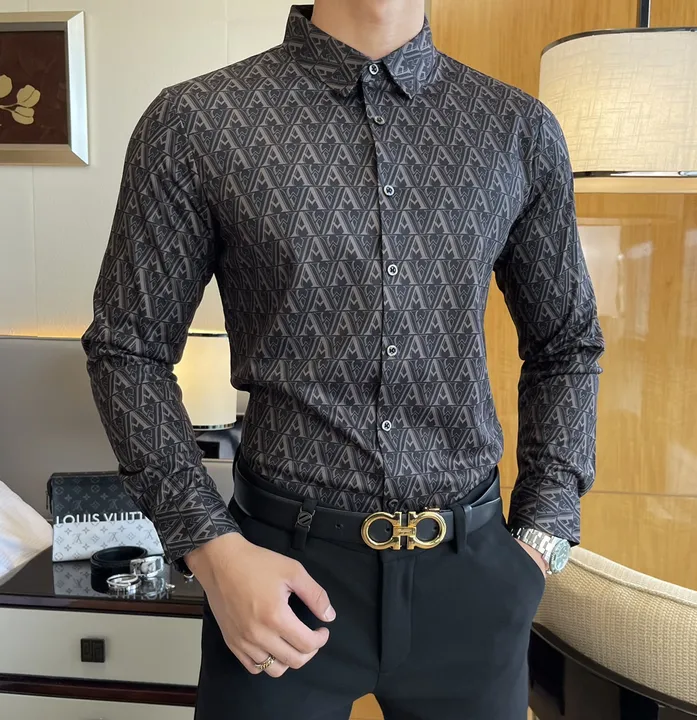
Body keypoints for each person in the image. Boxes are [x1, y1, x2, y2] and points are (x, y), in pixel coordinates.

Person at [82, 1, 605, 718]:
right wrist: (210, 548)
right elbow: (126, 348)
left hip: (472, 580)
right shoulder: (197, 122)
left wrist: (543, 535)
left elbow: (566, 342)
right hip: (277, 576)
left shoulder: (517, 129)